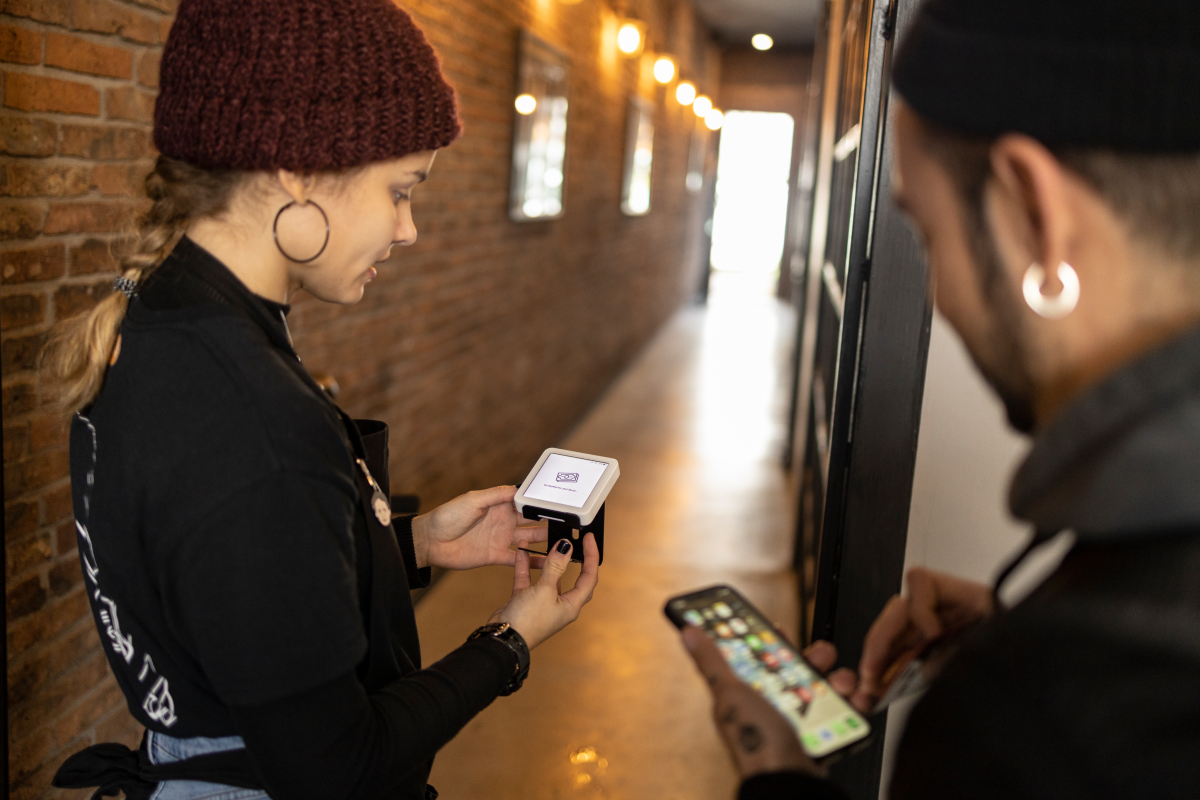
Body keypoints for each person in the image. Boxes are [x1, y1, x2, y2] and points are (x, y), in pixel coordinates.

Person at [46, 1, 599, 799]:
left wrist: (401, 547)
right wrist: (510, 642)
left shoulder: (158, 316)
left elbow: (232, 593)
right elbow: (337, 769)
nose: (408, 230)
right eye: (401, 190)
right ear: (299, 170)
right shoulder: (253, 417)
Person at [681, 0, 1200, 797]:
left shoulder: (1042, 720)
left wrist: (779, 774)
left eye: (926, 233)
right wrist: (1020, 627)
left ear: (1037, 216)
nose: (941, 298)